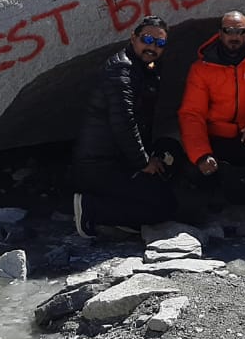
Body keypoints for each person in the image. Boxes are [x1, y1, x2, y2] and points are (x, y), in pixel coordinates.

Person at [178, 10, 245, 222]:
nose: (234, 37)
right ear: (220, 33)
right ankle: (216, 188)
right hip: (218, 139)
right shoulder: (202, 68)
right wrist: (201, 154)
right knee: (193, 165)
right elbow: (192, 114)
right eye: (229, 31)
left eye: (240, 32)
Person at [71, 16, 178, 234]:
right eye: (147, 39)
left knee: (170, 155)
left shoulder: (144, 67)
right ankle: (91, 209)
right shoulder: (121, 71)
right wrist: (144, 162)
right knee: (164, 207)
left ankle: (122, 211)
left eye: (159, 43)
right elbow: (124, 123)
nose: (152, 47)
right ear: (133, 38)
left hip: (118, 159)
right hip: (99, 166)